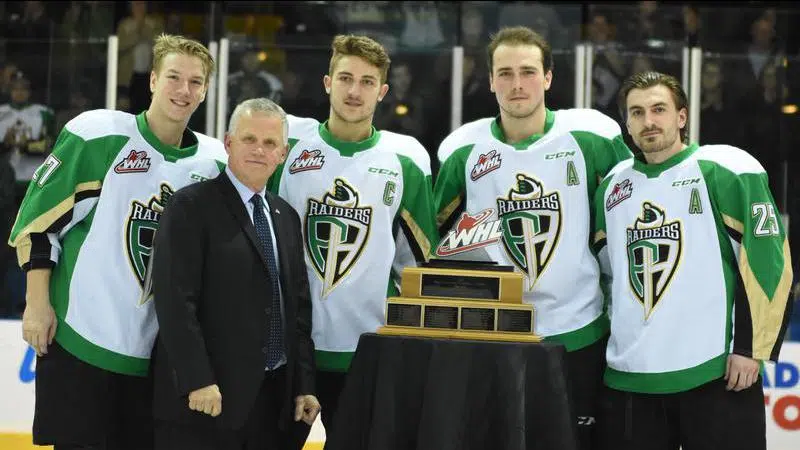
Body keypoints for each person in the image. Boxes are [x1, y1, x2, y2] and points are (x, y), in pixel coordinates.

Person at [8, 33, 227, 449]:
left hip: (156, 359)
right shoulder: (99, 137)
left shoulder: (213, 163)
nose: (184, 90)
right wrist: (36, 304)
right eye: (174, 77)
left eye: (196, 82)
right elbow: (39, 223)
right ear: (153, 81)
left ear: (206, 90)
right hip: (81, 339)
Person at [432, 26, 631, 450]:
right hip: (496, 338)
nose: (516, 84)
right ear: (489, 80)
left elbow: (622, 224)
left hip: (578, 333)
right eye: (504, 73)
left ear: (548, 78)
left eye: (527, 71)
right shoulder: (464, 151)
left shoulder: (591, 137)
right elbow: (440, 243)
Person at [592, 71, 793, 450]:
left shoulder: (727, 170)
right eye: (636, 113)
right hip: (631, 377)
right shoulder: (613, 187)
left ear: (681, 117)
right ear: (627, 124)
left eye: (659, 109)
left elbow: (769, 264)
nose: (648, 121)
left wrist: (750, 349)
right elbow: (604, 273)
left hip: (717, 372)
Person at [267, 34, 439, 438]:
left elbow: (417, 264)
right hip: (290, 352)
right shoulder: (287, 148)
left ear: (382, 91)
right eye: (345, 78)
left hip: (369, 351)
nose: (354, 91)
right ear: (328, 82)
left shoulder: (406, 160)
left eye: (366, 82)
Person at [150, 97, 320, 450]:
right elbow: (174, 301)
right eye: (249, 139)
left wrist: (303, 384)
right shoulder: (190, 207)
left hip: (274, 404)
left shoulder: (285, 217)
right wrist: (197, 379)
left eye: (270, 143)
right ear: (228, 143)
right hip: (208, 401)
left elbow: (298, 312)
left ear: (283, 154)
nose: (259, 150)